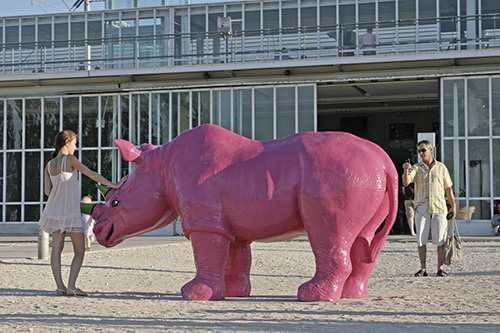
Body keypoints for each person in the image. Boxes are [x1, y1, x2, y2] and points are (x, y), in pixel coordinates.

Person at [38, 130, 127, 296]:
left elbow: (48, 191)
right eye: (74, 143)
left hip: (55, 211)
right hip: (70, 212)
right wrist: (114, 185)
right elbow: (91, 174)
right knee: (79, 251)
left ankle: (60, 287)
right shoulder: (69, 159)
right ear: (66, 142)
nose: (76, 147)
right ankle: (71, 286)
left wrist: (61, 191)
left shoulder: (49, 165)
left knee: (56, 250)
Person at [402, 140, 456, 277]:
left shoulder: (441, 167)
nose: (421, 153)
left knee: (440, 239)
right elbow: (406, 182)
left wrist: (453, 206)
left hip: (439, 206)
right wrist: (406, 170)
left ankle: (440, 267)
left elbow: (448, 188)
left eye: (423, 150)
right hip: (421, 206)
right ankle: (423, 268)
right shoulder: (416, 167)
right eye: (419, 151)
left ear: (431, 150)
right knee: (421, 239)